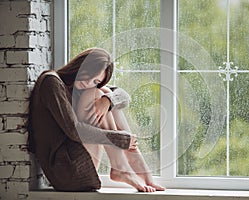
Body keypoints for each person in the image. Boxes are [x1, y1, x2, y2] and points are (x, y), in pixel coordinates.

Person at [27, 47, 165, 192]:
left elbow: (124, 96)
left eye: (95, 81)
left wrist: (107, 101)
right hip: (65, 171)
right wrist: (120, 139)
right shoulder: (52, 81)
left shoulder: (78, 89)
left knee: (105, 94)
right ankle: (120, 167)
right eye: (89, 75)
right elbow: (74, 130)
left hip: (79, 162)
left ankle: (145, 176)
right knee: (95, 94)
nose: (88, 83)